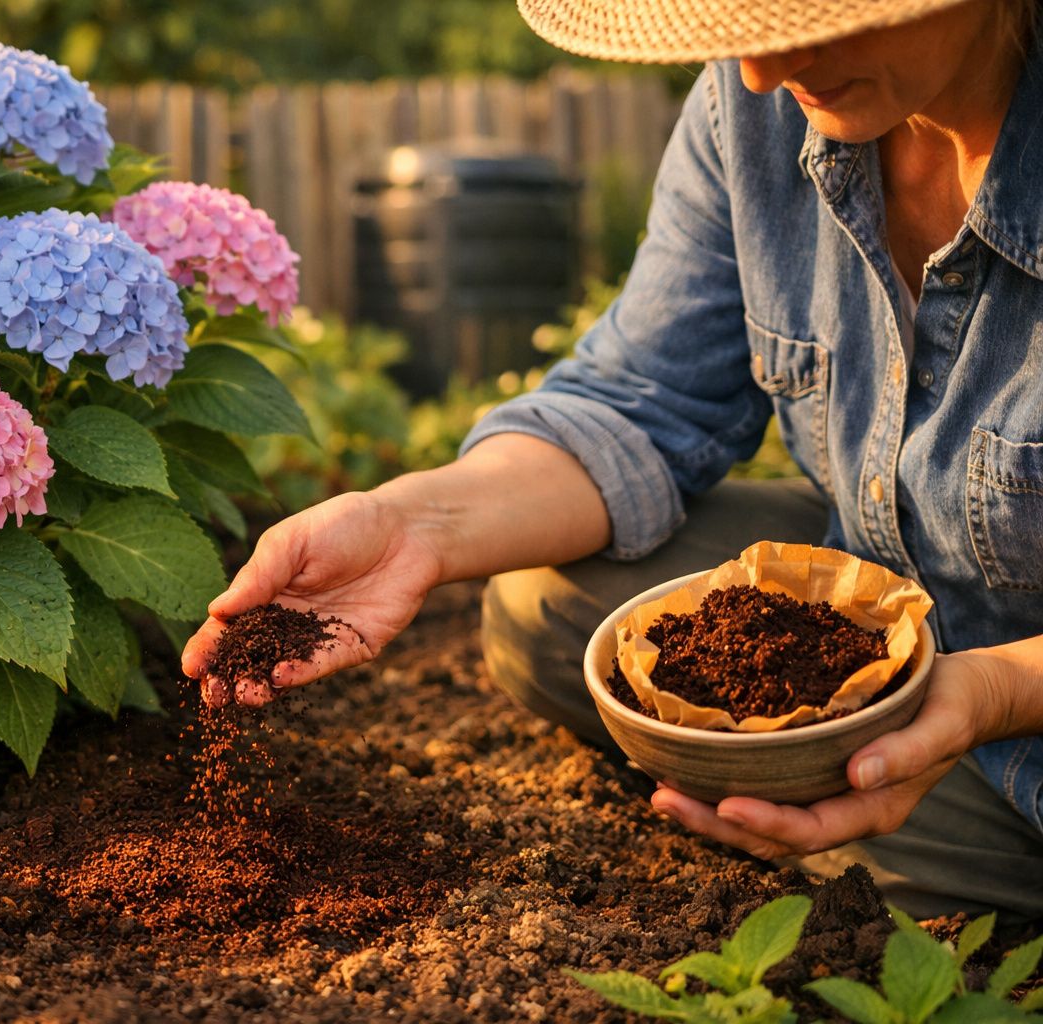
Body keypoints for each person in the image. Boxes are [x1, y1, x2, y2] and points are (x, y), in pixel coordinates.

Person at [181, 0, 1043, 922]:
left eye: (812, 15)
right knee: (548, 599)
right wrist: (410, 525)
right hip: (900, 614)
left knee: (909, 860)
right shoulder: (758, 106)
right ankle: (862, 832)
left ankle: (928, 866)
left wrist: (992, 692)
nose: (757, 68)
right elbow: (643, 396)